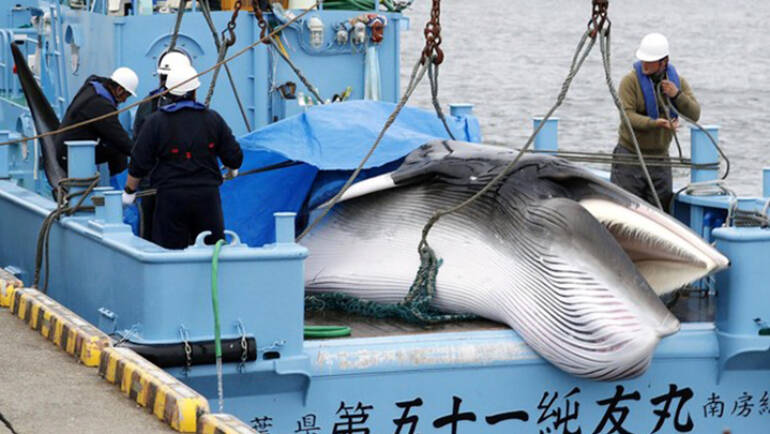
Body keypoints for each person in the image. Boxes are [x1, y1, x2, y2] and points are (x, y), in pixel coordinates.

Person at [123, 65, 243, 249]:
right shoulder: (213, 119)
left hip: (171, 198)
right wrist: (232, 169)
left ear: (168, 92)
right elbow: (234, 157)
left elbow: (139, 162)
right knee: (212, 252)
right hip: (207, 198)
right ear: (194, 90)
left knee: (170, 253)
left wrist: (130, 191)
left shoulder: (156, 122)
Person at [610, 33, 701, 209]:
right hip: (630, 157)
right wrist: (655, 123)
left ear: (663, 61)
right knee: (626, 212)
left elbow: (695, 114)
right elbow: (627, 116)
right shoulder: (630, 82)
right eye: (643, 59)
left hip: (660, 159)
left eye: (649, 61)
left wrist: (677, 95)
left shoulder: (678, 82)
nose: (644, 64)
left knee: (660, 213)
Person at [133, 50, 193, 240]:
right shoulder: (199, 113)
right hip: (182, 186)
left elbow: (139, 149)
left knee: (150, 236)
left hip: (152, 184)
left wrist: (131, 187)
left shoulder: (147, 105)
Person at [55, 67, 138, 176]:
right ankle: (121, 189)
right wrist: (143, 154)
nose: (124, 100)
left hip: (64, 148)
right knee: (118, 148)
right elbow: (121, 140)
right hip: (71, 155)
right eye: (126, 95)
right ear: (119, 90)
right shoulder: (100, 105)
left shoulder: (93, 87)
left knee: (115, 146)